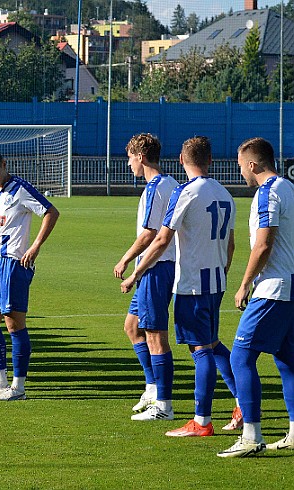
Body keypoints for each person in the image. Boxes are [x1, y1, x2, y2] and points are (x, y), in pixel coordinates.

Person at [121, 136, 238, 437]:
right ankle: (242, 402)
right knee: (210, 343)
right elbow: (232, 244)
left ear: (183, 160)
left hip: (192, 281)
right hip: (216, 279)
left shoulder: (185, 192)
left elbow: (160, 238)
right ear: (210, 160)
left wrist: (136, 273)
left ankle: (198, 419)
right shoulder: (225, 193)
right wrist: (222, 272)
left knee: (199, 349)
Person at [217, 137, 294, 457]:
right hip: (290, 284)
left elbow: (264, 245)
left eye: (240, 166)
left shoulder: (268, 193)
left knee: (240, 357)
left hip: (273, 287)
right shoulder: (289, 187)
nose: (240, 173)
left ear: (253, 165)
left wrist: (244, 284)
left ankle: (251, 436)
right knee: (287, 359)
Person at [0, 148, 60, 401]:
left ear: (4, 164)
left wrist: (34, 246)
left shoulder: (20, 189)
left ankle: (18, 387)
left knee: (13, 324)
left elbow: (51, 212)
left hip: (14, 264)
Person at [114, 134, 178, 420]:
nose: (129, 164)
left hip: (157, 266)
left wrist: (126, 260)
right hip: (157, 266)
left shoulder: (155, 187)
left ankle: (163, 405)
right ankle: (152, 388)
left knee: (155, 335)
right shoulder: (171, 183)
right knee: (132, 327)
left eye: (129, 157)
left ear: (140, 156)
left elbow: (150, 234)